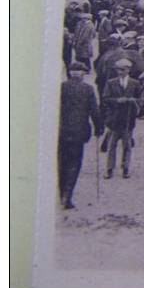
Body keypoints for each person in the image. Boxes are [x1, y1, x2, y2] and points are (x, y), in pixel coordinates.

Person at [58, 62, 104, 209]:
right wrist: (99, 128)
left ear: (70, 73)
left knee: (62, 163)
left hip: (61, 132)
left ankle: (61, 193)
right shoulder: (88, 89)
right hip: (79, 132)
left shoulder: (61, 88)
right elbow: (95, 112)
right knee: (74, 163)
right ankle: (68, 194)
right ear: (83, 74)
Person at [101, 58, 141, 179]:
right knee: (111, 146)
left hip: (128, 119)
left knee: (127, 146)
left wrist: (134, 101)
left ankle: (126, 168)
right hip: (114, 119)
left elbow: (141, 99)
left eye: (123, 70)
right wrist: (117, 100)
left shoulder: (135, 83)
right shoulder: (110, 83)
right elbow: (105, 99)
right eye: (118, 69)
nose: (120, 72)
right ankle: (109, 169)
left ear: (128, 70)